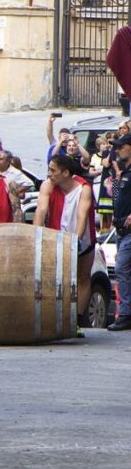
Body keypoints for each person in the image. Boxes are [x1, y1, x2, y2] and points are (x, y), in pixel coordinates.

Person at [34, 154, 96, 325]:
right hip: (56, 238)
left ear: (65, 173)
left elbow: (81, 216)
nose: (48, 174)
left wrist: (75, 240)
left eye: (52, 170)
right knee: (56, 278)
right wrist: (36, 234)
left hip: (82, 239)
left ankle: (77, 320)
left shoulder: (84, 188)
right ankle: (54, 317)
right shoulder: (48, 185)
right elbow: (41, 210)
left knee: (82, 277)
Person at [108, 133, 131, 331]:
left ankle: (125, 314)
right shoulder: (125, 172)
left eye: (120, 146)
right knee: (124, 271)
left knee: (122, 269)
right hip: (121, 229)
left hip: (129, 230)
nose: (117, 150)